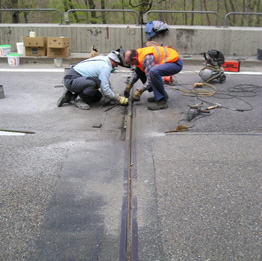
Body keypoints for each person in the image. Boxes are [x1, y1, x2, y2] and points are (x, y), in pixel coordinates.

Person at [57, 50, 128, 110]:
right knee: (95, 83)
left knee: (97, 97)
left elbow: (105, 81)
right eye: (117, 63)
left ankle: (70, 97)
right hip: (72, 80)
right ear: (113, 60)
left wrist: (111, 94)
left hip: (76, 79)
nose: (117, 66)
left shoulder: (103, 58)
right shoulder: (105, 66)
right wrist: (117, 98)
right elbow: (104, 87)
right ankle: (78, 99)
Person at [123, 46, 183, 110]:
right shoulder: (138, 54)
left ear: (134, 58)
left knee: (154, 72)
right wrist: (129, 85)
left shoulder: (147, 58)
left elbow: (150, 80)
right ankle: (159, 95)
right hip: (170, 62)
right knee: (140, 70)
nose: (131, 65)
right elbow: (138, 72)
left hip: (175, 63)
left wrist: (140, 91)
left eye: (130, 63)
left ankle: (162, 100)